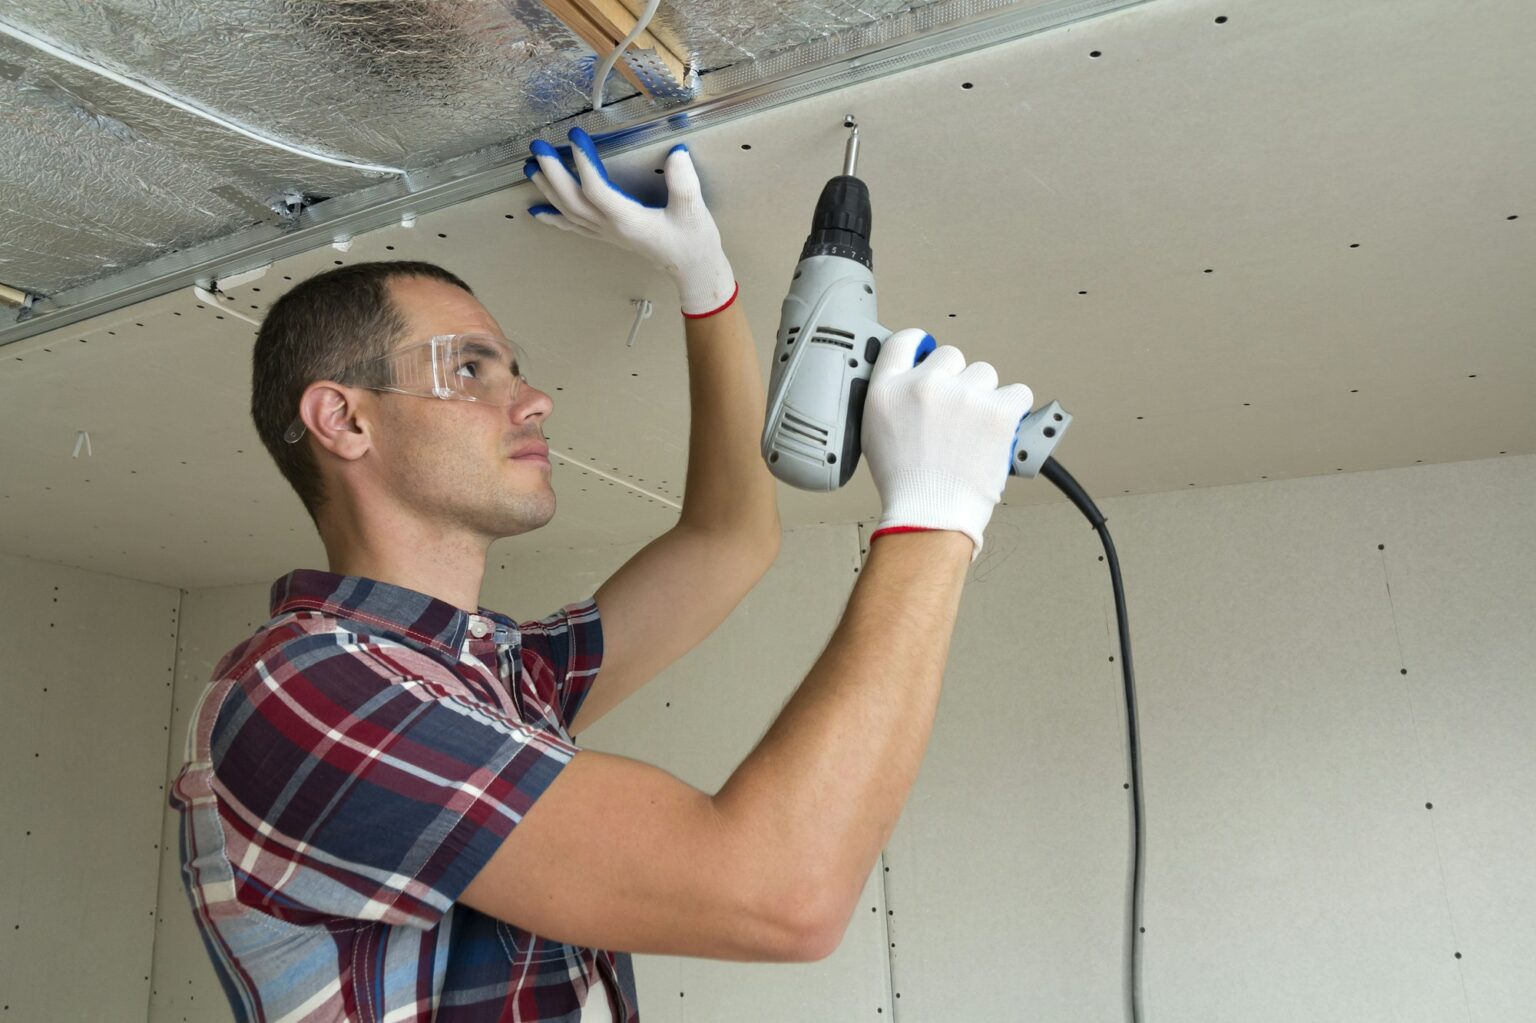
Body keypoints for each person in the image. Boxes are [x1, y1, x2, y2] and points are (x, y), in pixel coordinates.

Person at [168, 125, 1033, 1022]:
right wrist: (935, 516)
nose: (534, 398)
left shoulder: (491, 673)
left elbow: (728, 538)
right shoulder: (305, 689)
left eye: (516, 368)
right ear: (344, 421)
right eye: (469, 367)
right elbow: (783, 892)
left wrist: (709, 284)